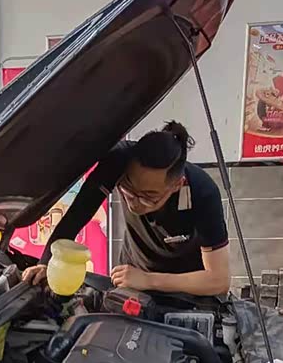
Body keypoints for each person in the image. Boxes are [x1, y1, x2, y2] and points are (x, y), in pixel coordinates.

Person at [22, 122, 230, 297]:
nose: (135, 203)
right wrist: (46, 263)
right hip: (133, 277)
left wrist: (149, 280)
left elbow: (218, 281)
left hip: (186, 288)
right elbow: (77, 215)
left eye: (149, 196)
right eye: (128, 188)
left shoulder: (202, 193)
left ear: (177, 185)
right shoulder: (119, 159)